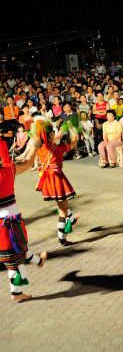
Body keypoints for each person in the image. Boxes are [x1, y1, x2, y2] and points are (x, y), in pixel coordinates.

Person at [0, 132, 47, 300]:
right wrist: (34, 144)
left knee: (15, 251)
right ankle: (17, 292)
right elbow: (28, 163)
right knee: (15, 254)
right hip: (9, 220)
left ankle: (38, 262)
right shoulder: (8, 170)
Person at [34, 121, 81, 245]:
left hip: (47, 180)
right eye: (52, 132)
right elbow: (73, 144)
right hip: (57, 178)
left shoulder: (40, 147)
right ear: (50, 135)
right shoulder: (57, 147)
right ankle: (62, 239)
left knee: (62, 206)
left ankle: (72, 220)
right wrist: (74, 132)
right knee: (62, 212)